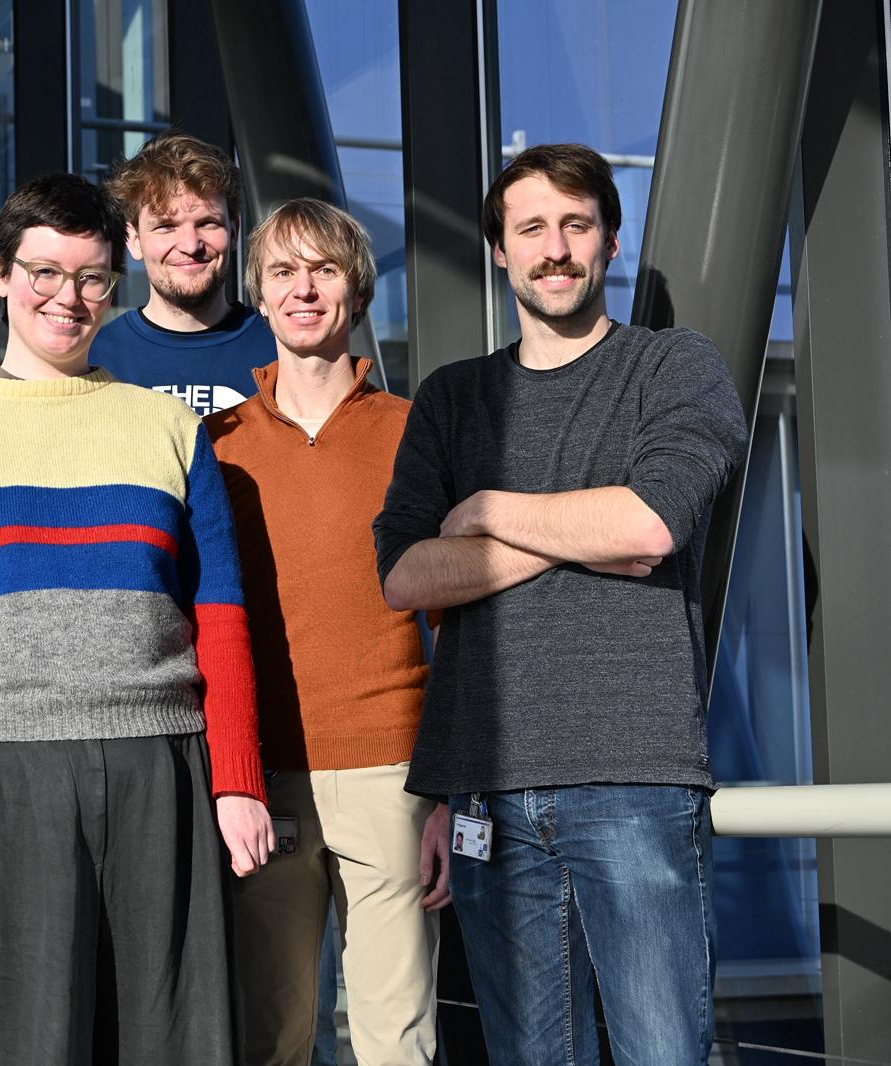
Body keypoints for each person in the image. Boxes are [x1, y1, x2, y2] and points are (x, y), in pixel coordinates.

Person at [0, 172, 274, 1065]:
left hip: (159, 767)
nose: (70, 297)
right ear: (4, 275)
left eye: (92, 277)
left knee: (169, 1036)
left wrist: (237, 780)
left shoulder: (168, 428)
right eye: (46, 273)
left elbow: (219, 614)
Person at [373, 143, 748, 1065]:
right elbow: (406, 576)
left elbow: (650, 527)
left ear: (610, 243)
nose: (555, 249)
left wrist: (489, 512)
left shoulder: (671, 368)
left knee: (664, 1053)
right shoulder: (454, 399)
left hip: (634, 775)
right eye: (531, 228)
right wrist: (580, 533)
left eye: (576, 226)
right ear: (500, 251)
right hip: (487, 787)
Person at [206, 198, 448, 1066]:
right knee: (268, 1035)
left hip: (392, 771)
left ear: (357, 290)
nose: (303, 289)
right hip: (263, 777)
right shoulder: (216, 444)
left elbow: (453, 619)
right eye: (283, 272)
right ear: (260, 297)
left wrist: (447, 790)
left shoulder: (417, 430)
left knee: (399, 1036)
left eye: (324, 270)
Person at [92, 129, 276, 415]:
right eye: (166, 226)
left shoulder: (282, 351)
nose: (191, 245)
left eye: (208, 223)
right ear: (134, 240)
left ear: (235, 230)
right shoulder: (95, 359)